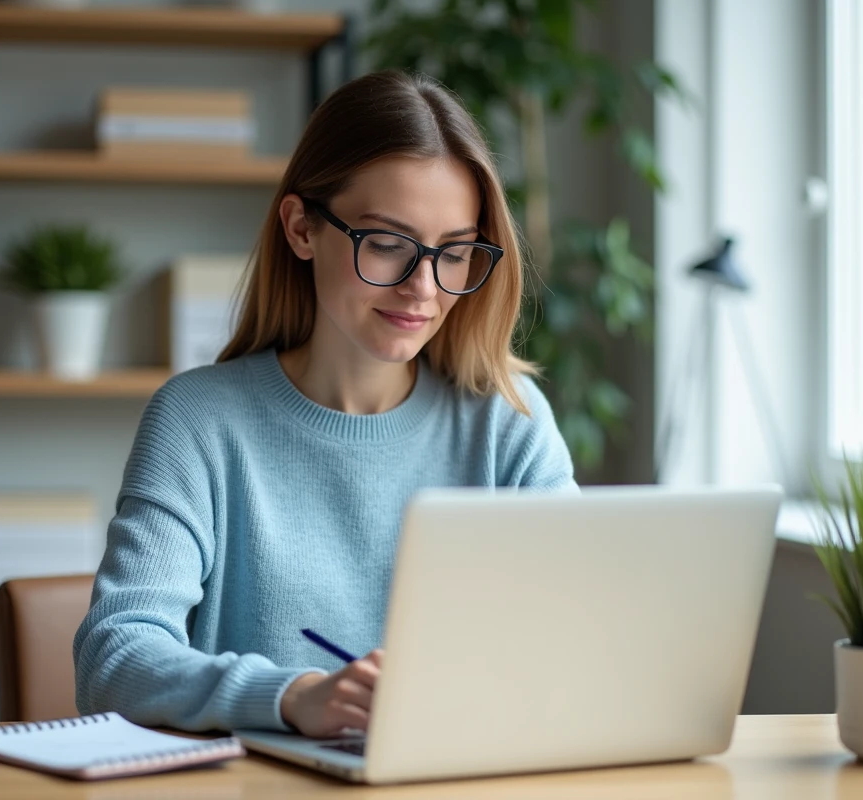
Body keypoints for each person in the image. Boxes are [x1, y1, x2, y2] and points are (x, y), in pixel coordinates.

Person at [73, 69, 576, 740]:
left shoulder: (509, 423)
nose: (423, 288)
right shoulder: (198, 422)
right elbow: (116, 657)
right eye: (389, 244)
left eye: (454, 252)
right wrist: (291, 696)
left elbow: (582, 638)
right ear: (302, 228)